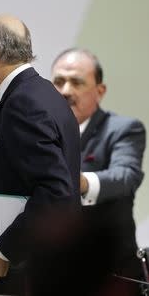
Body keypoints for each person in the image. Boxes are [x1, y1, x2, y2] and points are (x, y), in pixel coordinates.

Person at [0, 15, 81, 296]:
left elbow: (55, 195)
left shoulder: (23, 103)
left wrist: (2, 251)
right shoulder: (42, 93)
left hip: (31, 275)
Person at [51, 48, 146, 295]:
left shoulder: (122, 129)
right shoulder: (38, 133)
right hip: (49, 271)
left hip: (110, 273)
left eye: (76, 82)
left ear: (100, 91)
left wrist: (80, 182)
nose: (65, 91)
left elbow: (126, 175)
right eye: (58, 81)